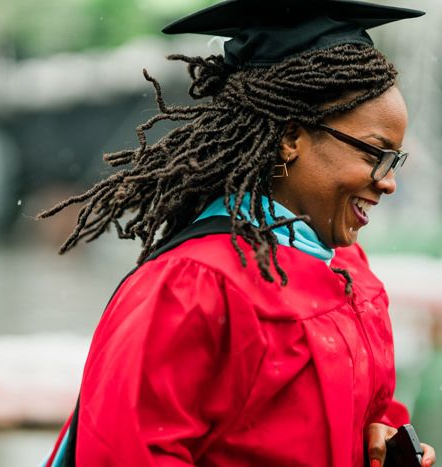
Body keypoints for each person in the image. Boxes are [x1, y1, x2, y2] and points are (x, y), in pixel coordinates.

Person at [41, 0, 437, 465]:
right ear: (291, 137)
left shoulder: (347, 268)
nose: (389, 181)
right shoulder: (191, 285)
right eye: (375, 154)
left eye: (396, 159)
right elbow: (127, 451)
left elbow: (372, 411)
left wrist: (382, 441)